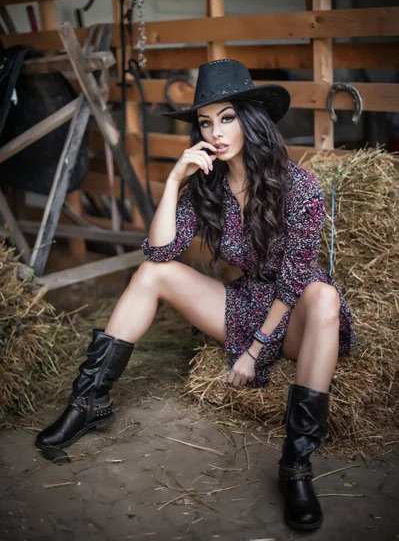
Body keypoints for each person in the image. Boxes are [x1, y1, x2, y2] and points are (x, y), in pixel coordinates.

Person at [36, 59, 355, 531]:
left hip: (297, 313)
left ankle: (296, 467)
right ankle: (87, 403)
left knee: (324, 295)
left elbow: (295, 278)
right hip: (246, 301)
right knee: (150, 273)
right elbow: (161, 250)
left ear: (250, 120)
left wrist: (254, 352)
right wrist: (173, 181)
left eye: (227, 118)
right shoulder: (208, 182)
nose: (217, 131)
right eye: (206, 122)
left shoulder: (299, 186)